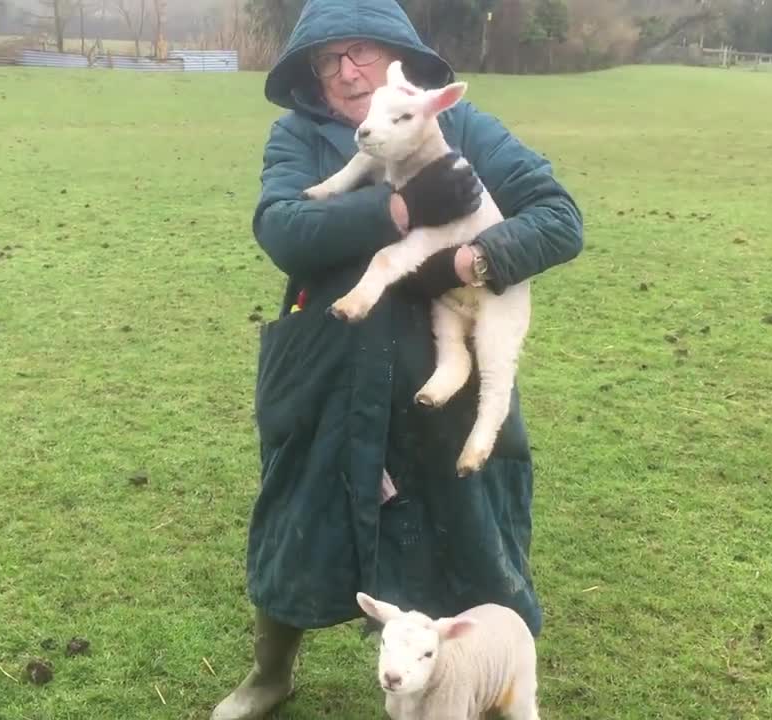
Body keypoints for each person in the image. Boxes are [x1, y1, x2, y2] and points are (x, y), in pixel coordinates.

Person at [212, 0, 584, 718]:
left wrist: (472, 261)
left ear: (398, 60)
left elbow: (558, 218)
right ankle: (270, 674)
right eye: (328, 59)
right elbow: (283, 229)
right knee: (300, 513)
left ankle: (480, 678)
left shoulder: (466, 128)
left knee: (469, 522)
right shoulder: (298, 138)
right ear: (310, 73)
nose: (347, 71)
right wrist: (400, 213)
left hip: (439, 363)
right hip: (327, 358)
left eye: (362, 52)